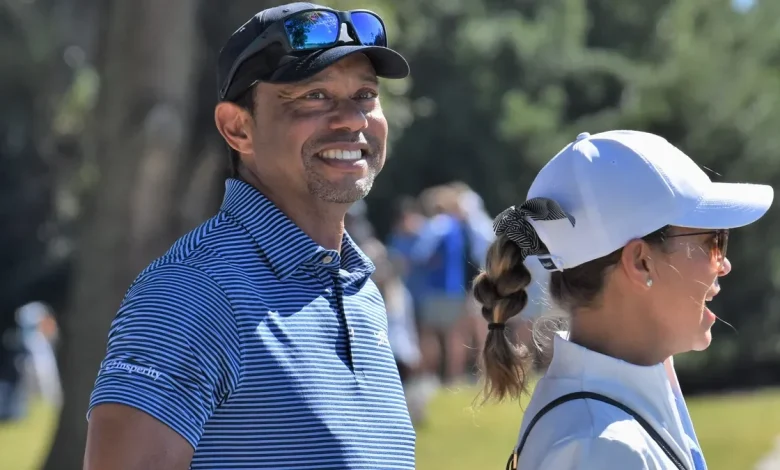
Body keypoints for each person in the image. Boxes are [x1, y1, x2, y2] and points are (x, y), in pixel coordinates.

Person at [84, 4, 415, 469]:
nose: (353, 119)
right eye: (315, 96)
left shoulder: (360, 292)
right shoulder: (191, 292)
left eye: (365, 94)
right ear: (238, 128)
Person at [473, 130, 773, 469]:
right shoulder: (602, 447)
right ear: (640, 261)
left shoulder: (612, 408)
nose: (725, 264)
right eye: (713, 242)